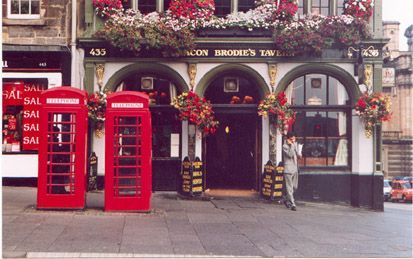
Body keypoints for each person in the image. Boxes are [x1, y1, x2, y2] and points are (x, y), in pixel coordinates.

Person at [282, 131, 302, 211]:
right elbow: (290, 155)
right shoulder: (285, 146)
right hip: (288, 169)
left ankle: (286, 199)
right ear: (288, 139)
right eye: (292, 138)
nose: (293, 140)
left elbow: (298, 156)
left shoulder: (295, 144)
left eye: (294, 138)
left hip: (295, 168)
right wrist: (291, 145)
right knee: (289, 188)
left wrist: (299, 154)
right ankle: (293, 204)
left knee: (294, 187)